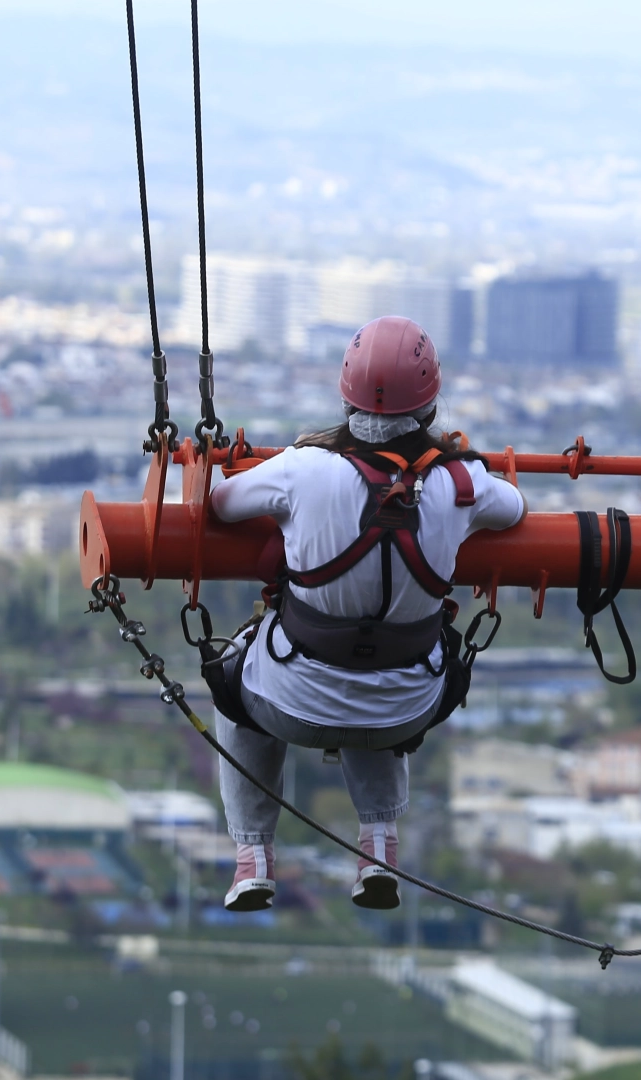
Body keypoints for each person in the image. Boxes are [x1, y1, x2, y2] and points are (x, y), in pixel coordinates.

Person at [204, 316, 526, 912]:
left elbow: (221, 503)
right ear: (430, 400)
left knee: (233, 676)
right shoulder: (461, 482)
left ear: (346, 391)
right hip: (406, 710)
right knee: (383, 672)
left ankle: (252, 857)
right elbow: (514, 508)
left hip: (290, 705)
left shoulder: (303, 469)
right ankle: (378, 848)